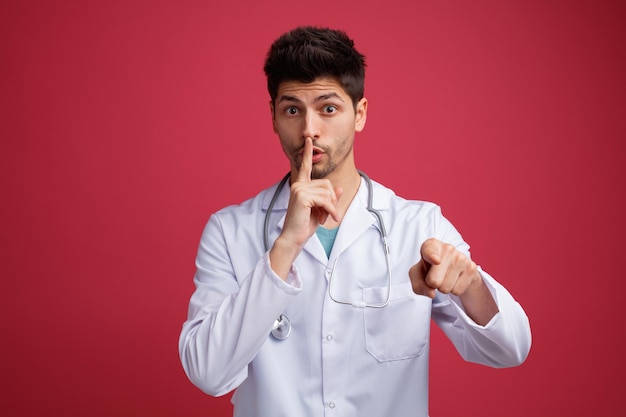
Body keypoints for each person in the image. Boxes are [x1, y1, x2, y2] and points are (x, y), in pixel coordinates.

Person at [179, 26, 531, 417]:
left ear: (359, 114)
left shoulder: (417, 225)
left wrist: (470, 285)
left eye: (328, 109)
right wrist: (284, 249)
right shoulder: (230, 231)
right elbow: (207, 372)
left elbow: (511, 349)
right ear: (274, 117)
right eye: (292, 109)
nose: (309, 129)